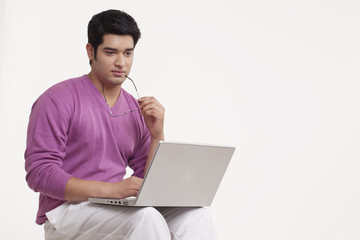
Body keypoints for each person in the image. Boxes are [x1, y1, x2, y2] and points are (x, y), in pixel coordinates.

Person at [24, 9, 217, 240]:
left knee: (196, 217)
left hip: (115, 207)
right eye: (110, 52)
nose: (121, 63)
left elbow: (149, 185)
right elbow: (39, 173)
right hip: (65, 212)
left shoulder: (135, 108)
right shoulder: (57, 100)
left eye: (128, 53)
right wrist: (111, 190)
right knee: (146, 217)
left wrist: (157, 135)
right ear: (90, 51)